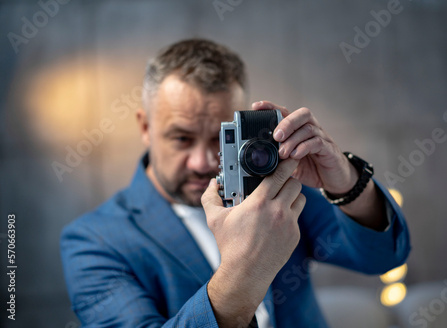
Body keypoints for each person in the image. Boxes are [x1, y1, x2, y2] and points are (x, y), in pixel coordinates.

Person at [60, 38, 411, 328]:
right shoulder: (93, 240)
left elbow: (382, 257)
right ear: (145, 127)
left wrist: (346, 182)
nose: (202, 162)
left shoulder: (276, 193)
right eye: (181, 138)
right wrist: (245, 271)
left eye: (221, 138)